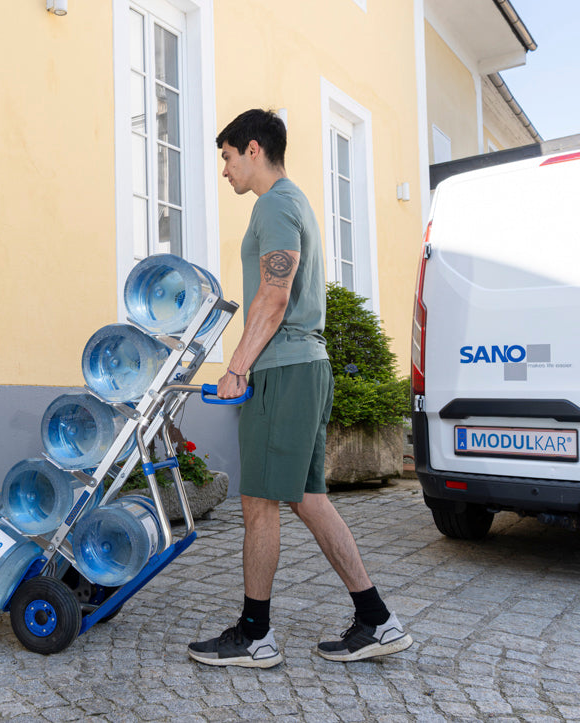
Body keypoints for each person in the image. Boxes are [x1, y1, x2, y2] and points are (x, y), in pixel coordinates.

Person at [187, 109, 412, 668]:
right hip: (303, 366)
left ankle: (254, 635)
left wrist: (237, 366)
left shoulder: (276, 204)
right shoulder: (291, 203)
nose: (225, 170)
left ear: (253, 149)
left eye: (227, 157)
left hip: (284, 369)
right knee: (306, 498)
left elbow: (274, 293)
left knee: (258, 501)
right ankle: (376, 619)